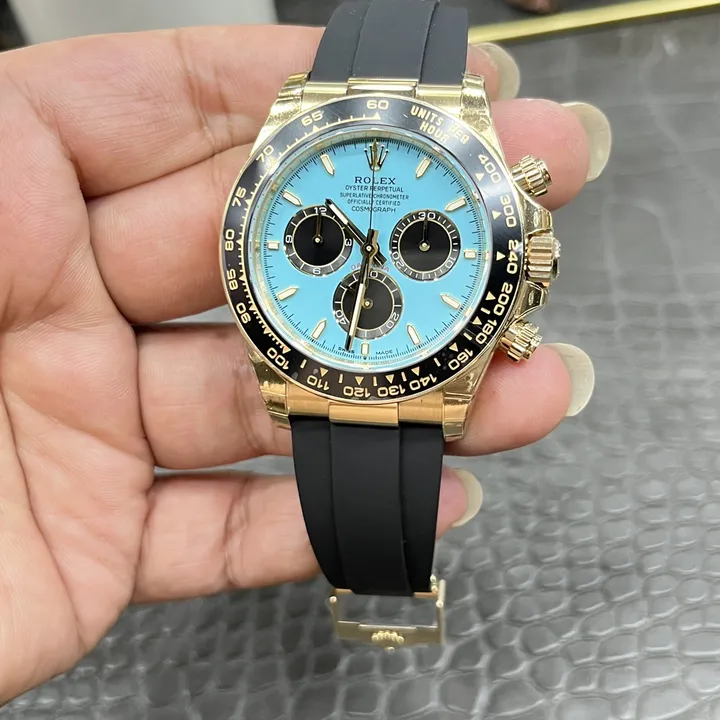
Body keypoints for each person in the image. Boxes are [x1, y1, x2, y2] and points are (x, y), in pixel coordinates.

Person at [0, 24, 607, 703]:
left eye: (420, 246)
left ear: (527, 259)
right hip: (317, 363)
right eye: (337, 242)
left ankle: (382, 584)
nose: (373, 252)